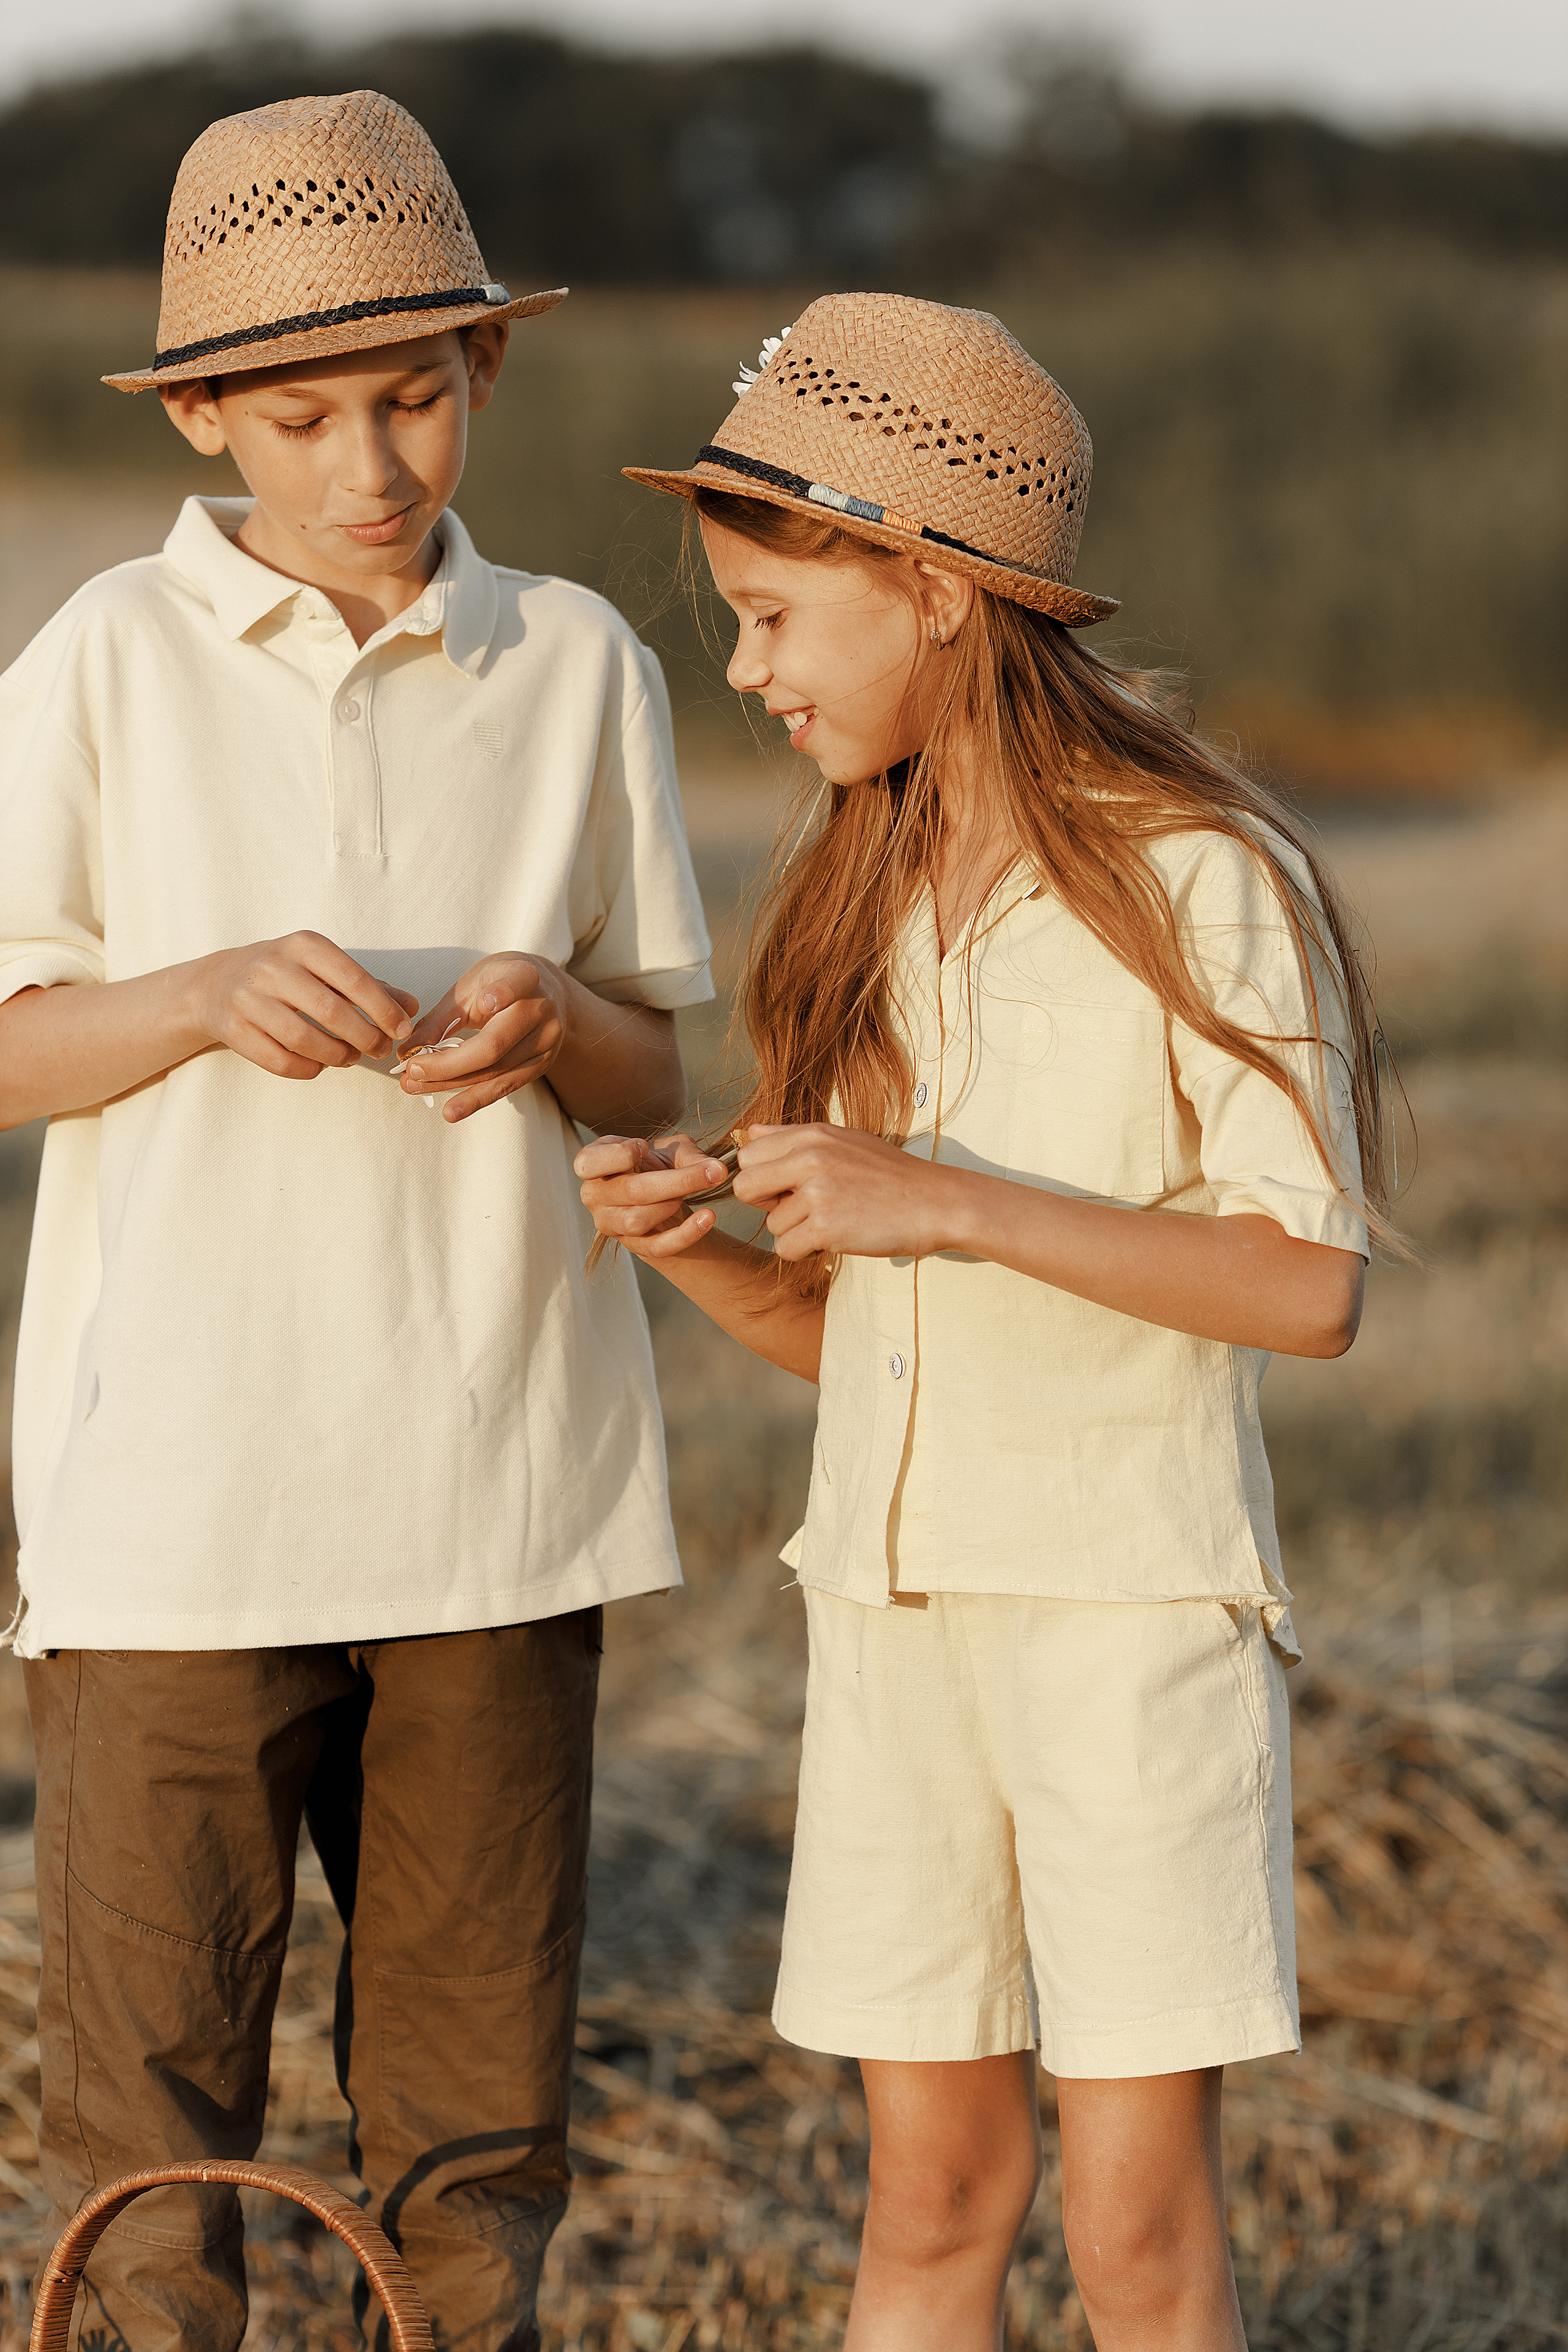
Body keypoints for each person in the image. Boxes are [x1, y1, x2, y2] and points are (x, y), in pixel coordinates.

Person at [576, 291, 1395, 2352]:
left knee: (1137, 2240)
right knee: (927, 2194)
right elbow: (854, 1343)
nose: (745, 668)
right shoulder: (864, 882)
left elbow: (1309, 1291)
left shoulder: (1203, 874)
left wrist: (942, 1197)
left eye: (772, 615)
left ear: (933, 591)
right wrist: (693, 1245)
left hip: (1129, 1633)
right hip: (894, 1620)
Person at [0, 89, 712, 2352]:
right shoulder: (104, 655)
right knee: (143, 2116)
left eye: (413, 395)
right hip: (173, 1508)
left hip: (502, 1489)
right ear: (205, 408)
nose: (371, 463)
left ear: (486, 370)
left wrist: (548, 1019)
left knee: (479, 2125)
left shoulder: (581, 657)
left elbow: (656, 1060)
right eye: (302, 413)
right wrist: (197, 998)